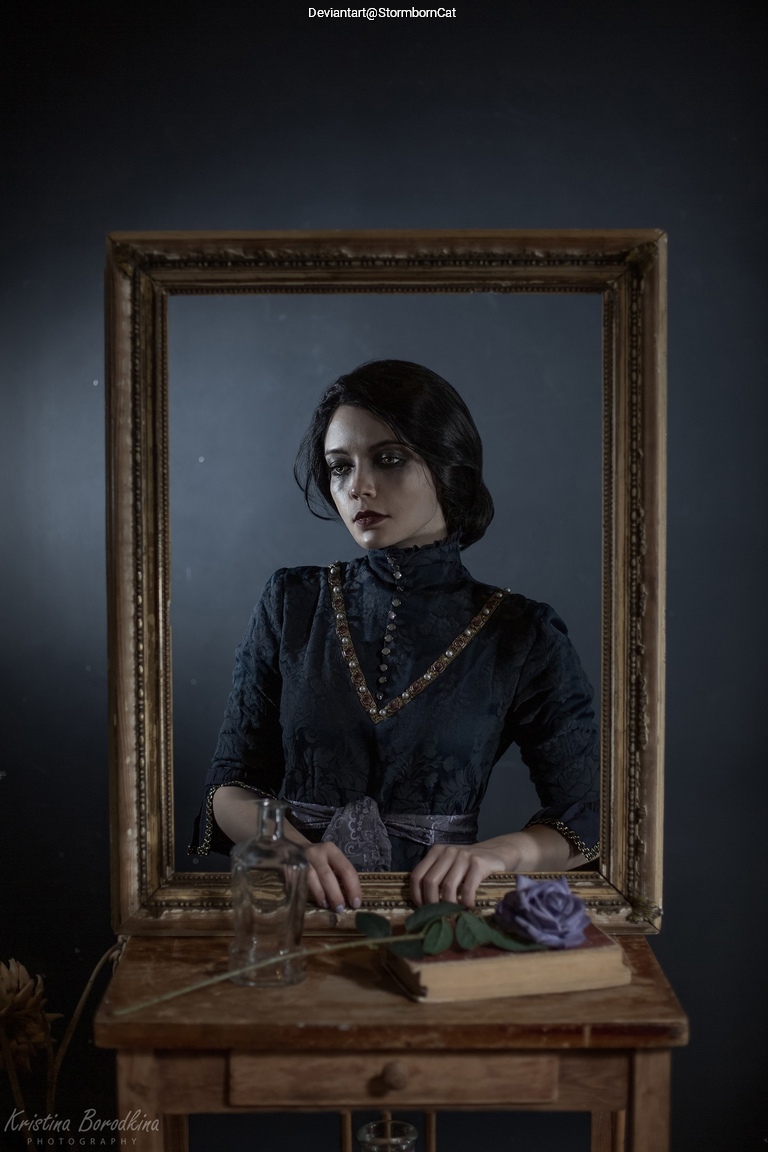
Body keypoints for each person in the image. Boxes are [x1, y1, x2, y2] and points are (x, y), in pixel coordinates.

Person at [189, 360, 599, 913]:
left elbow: (592, 814)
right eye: (339, 467)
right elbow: (227, 790)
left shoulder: (520, 633)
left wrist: (498, 855)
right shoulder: (292, 603)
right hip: (291, 917)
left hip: (435, 924)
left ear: (449, 466)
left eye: (389, 459)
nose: (357, 486)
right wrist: (289, 850)